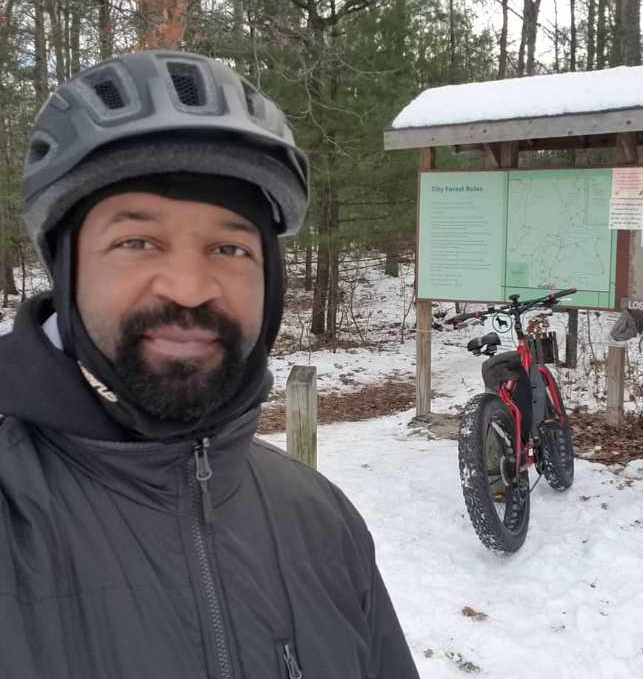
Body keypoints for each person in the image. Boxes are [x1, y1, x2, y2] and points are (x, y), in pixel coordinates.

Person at [0, 51, 420, 679]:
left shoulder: (320, 520)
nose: (191, 287)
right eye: (137, 242)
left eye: (229, 247)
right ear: (67, 271)